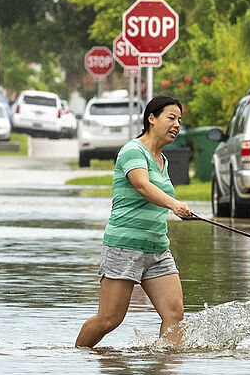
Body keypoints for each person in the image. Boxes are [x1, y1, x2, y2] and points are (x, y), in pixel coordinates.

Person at [75, 95, 193, 348]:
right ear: (151, 118)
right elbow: (142, 185)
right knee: (109, 319)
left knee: (174, 315)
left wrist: (177, 207)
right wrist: (174, 205)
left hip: (157, 248)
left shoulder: (163, 160)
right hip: (124, 246)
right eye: (170, 118)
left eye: (179, 120)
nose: (176, 125)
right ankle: (78, 357)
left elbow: (155, 192)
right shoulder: (132, 151)